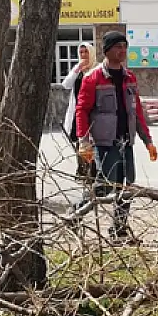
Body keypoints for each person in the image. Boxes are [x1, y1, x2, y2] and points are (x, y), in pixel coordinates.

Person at [74, 31, 158, 239]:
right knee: (103, 186)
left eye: (124, 46)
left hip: (126, 142)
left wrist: (148, 140)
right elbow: (82, 110)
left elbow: (136, 110)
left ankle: (119, 228)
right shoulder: (93, 78)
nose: (122, 50)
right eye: (118, 46)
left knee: (127, 187)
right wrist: (84, 141)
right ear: (107, 50)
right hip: (104, 143)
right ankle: (76, 214)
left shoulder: (129, 77)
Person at [62, 42, 97, 209]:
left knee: (92, 145)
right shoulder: (77, 72)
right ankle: (84, 173)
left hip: (92, 114)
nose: (83, 55)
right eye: (81, 52)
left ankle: (93, 174)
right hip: (77, 114)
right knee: (79, 144)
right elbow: (65, 85)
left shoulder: (96, 70)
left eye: (86, 52)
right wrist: (77, 69)